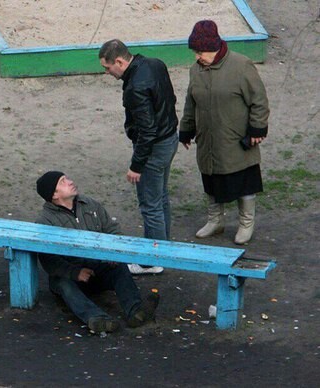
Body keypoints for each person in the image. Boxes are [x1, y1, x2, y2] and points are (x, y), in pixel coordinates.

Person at [179, 20, 270, 245]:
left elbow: (259, 101)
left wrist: (257, 128)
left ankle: (246, 223)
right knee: (211, 179)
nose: (197, 56)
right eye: (195, 52)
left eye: (200, 51)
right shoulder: (196, 70)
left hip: (236, 140)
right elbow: (191, 102)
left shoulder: (241, 66)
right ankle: (215, 221)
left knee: (244, 182)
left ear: (214, 47)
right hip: (208, 139)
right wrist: (187, 129)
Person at [35, 171, 160, 333]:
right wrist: (75, 272)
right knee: (62, 283)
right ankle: (97, 318)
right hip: (71, 276)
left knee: (119, 267)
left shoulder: (90, 204)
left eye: (67, 178)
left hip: (97, 268)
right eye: (62, 182)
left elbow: (112, 229)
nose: (70, 181)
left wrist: (114, 254)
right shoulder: (45, 221)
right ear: (54, 195)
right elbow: (47, 259)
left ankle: (136, 312)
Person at [98, 39, 179, 275]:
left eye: (107, 67)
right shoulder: (155, 64)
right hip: (169, 138)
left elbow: (147, 130)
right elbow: (170, 100)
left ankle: (151, 259)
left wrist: (136, 165)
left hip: (153, 148)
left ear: (120, 62)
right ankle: (163, 247)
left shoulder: (135, 88)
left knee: (150, 204)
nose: (107, 72)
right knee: (161, 197)